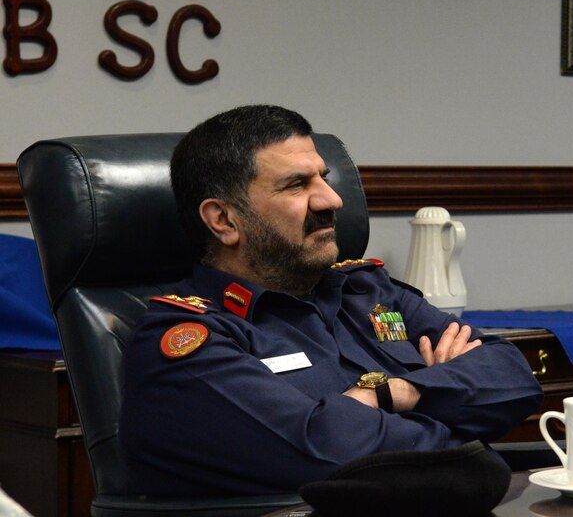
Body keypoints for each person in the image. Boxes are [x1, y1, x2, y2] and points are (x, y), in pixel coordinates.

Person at [118, 105, 543, 496]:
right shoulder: (189, 343)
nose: (332, 200)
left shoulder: (367, 291)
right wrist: (462, 417)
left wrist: (394, 392)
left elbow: (513, 379)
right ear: (224, 220)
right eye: (297, 185)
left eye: (323, 177)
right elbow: (332, 456)